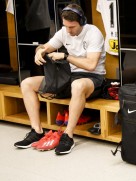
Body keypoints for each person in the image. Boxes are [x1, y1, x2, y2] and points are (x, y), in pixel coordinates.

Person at [14, 4, 106, 155]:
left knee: (77, 85)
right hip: (69, 76)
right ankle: (36, 131)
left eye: (72, 27)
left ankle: (68, 136)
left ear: (82, 22)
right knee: (27, 83)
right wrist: (39, 51)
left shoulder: (93, 33)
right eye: (66, 26)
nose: (68, 30)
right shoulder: (64, 31)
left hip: (93, 78)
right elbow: (45, 46)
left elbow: (91, 65)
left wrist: (65, 56)